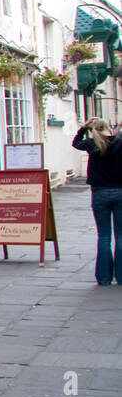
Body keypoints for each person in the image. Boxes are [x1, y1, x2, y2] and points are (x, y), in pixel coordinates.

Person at [71, 116, 122, 286]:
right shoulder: (119, 142)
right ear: (108, 128)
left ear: (94, 130)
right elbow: (114, 140)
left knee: (104, 236)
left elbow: (76, 143)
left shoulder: (91, 145)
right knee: (121, 236)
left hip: (100, 193)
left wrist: (83, 128)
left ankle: (104, 277)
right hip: (120, 192)